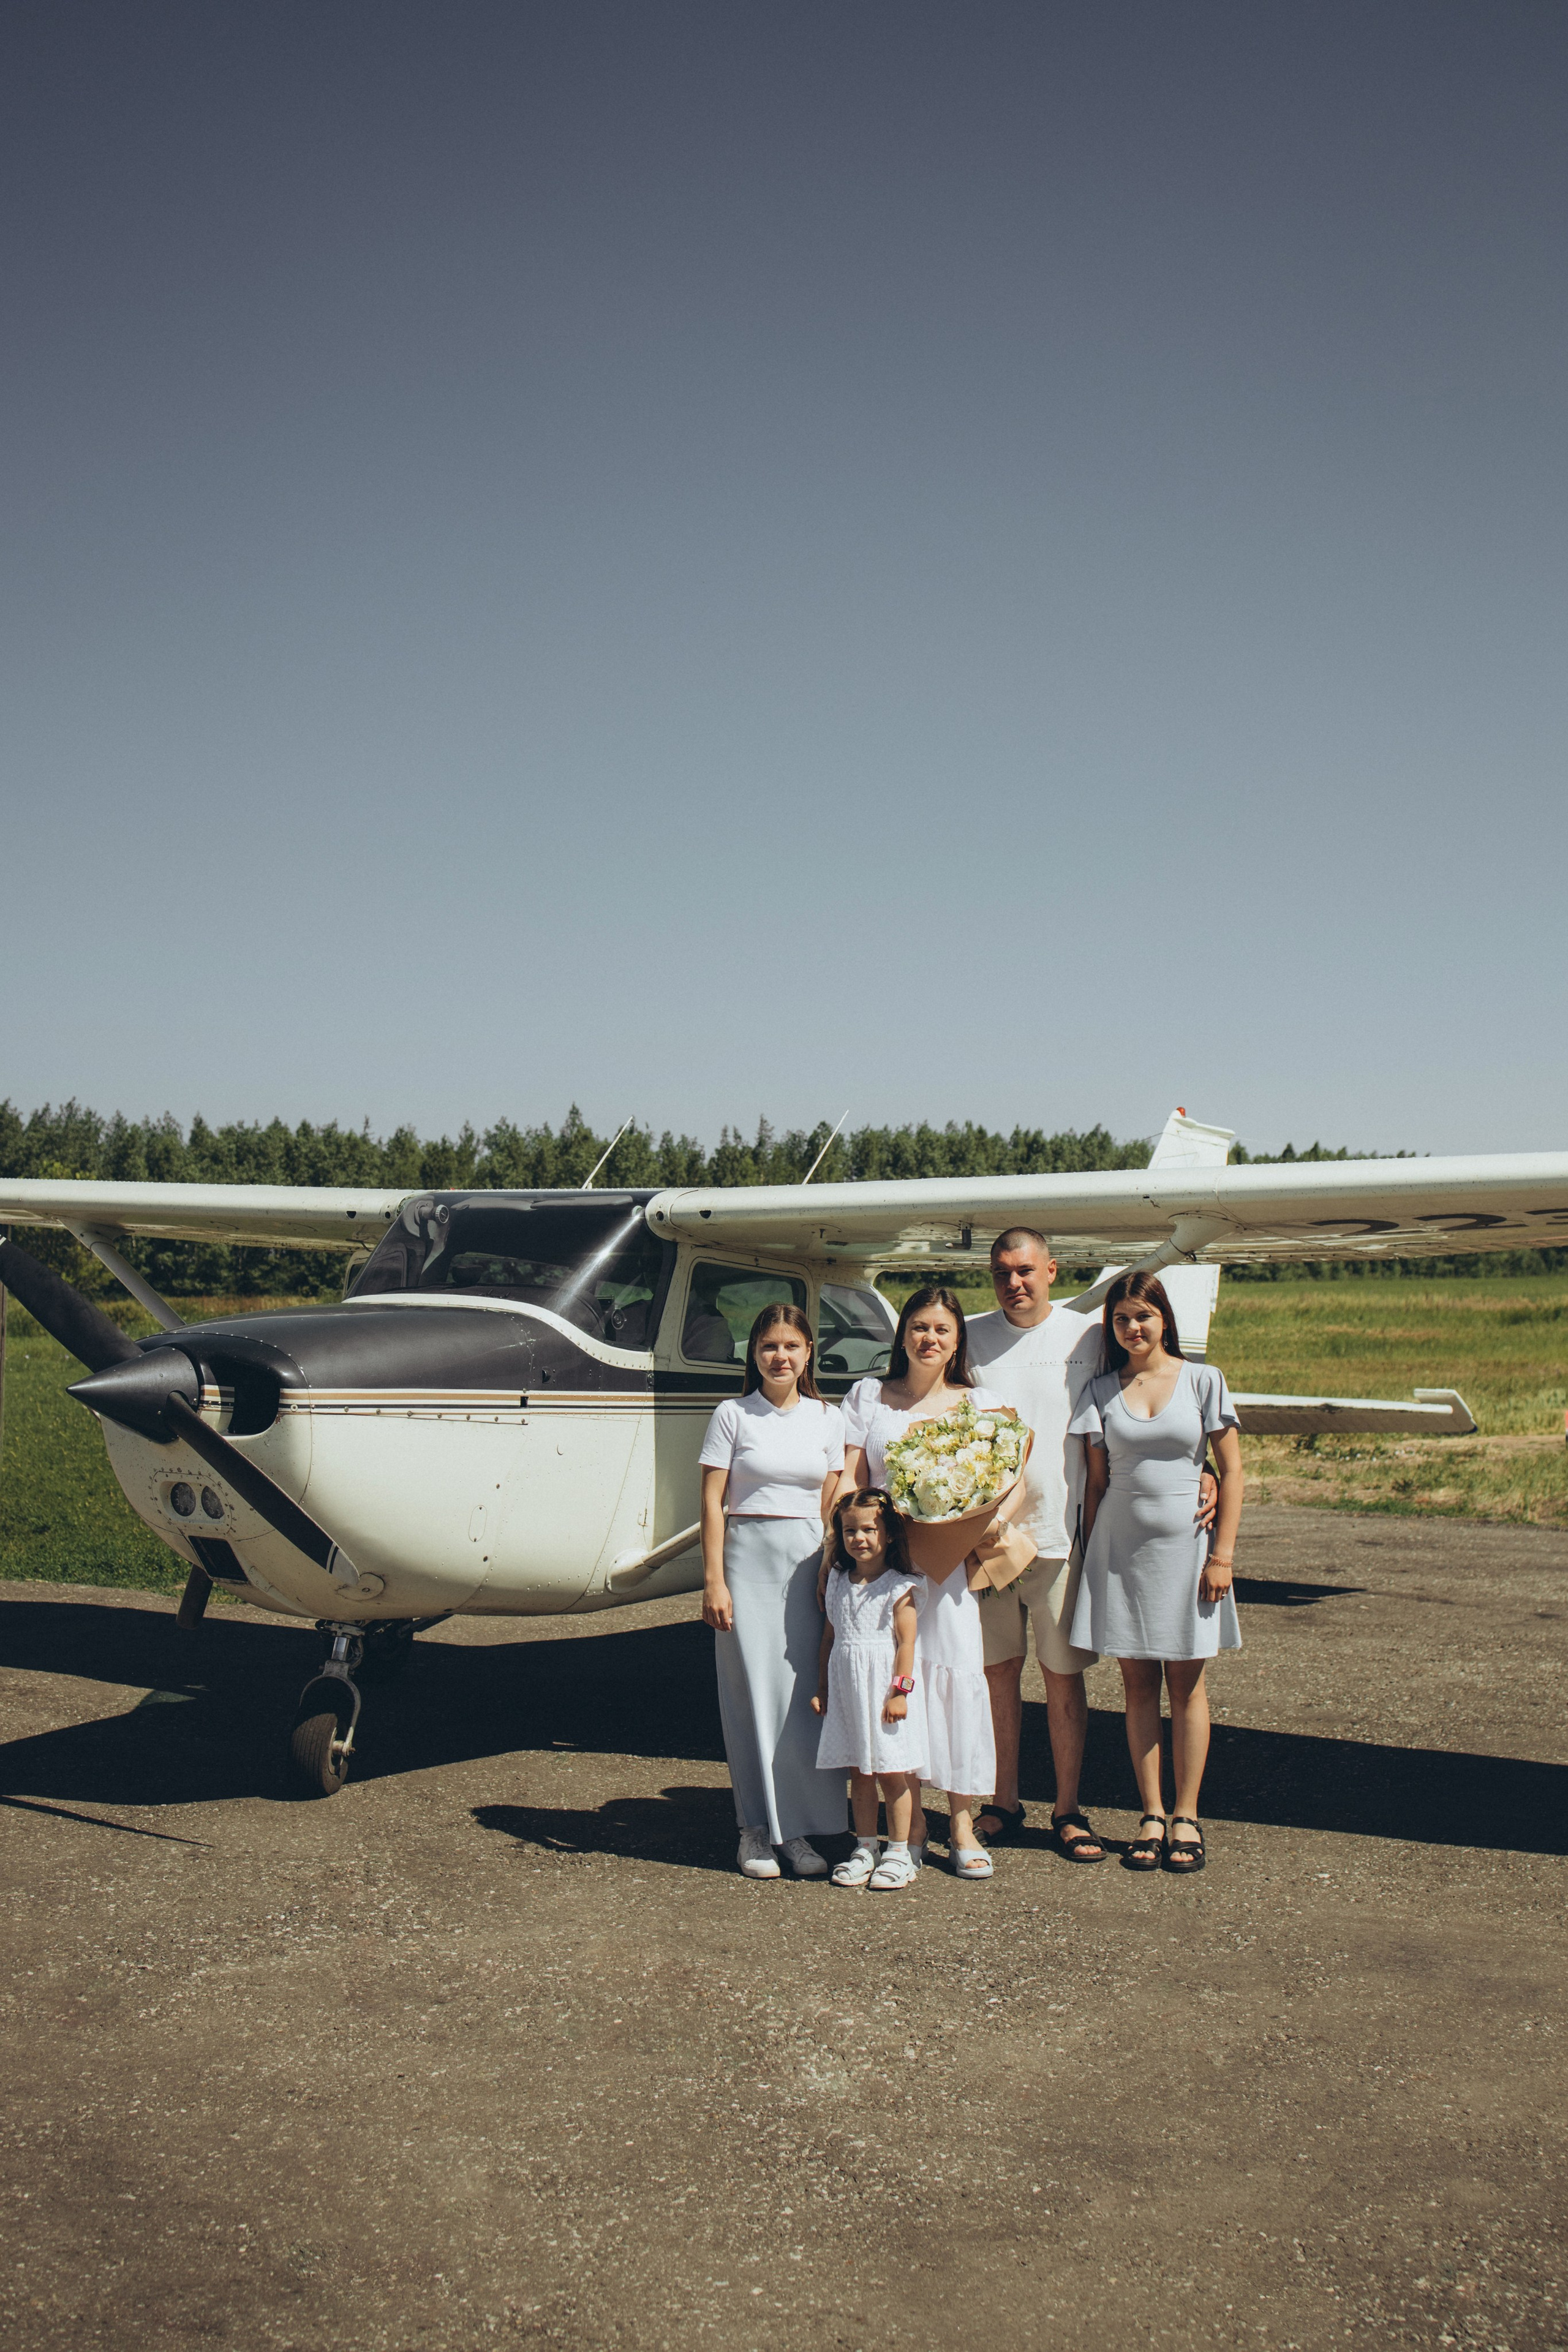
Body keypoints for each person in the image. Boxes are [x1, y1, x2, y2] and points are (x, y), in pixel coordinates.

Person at [968, 1228, 1219, 1863]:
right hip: (987, 1539)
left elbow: (1149, 1399)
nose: (1014, 1283)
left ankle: (1067, 1809)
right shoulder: (967, 1336)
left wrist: (1202, 1469)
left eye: (1025, 1270)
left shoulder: (1090, 1333)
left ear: (1051, 1270)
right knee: (997, 1676)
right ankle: (1003, 1799)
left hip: (1063, 1537)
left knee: (1062, 1678)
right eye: (1001, 1273)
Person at [1068, 1270, 1243, 1875]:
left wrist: (1222, 1554)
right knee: (1137, 1686)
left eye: (1142, 1316)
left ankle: (1187, 1816)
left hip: (1190, 1553)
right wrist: (1090, 1559)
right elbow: (1095, 1484)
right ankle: (1149, 1813)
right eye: (1120, 1319)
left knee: (1187, 1686)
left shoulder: (1202, 1380)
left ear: (1163, 1318)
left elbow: (1234, 1473)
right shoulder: (1099, 1391)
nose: (1132, 1328)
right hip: (1119, 1552)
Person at [834, 1286, 1004, 1879]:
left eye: (942, 1330)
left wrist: (978, 1521)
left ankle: (960, 1823)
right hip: (880, 1575)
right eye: (919, 1327)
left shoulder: (979, 1404)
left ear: (957, 1342)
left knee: (951, 1683)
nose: (929, 1339)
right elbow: (849, 1484)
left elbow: (1006, 1482)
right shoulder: (869, 1397)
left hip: (948, 1572)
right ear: (901, 1333)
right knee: (890, 1688)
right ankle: (910, 1828)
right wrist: (836, 1553)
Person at [699, 1302, 846, 1880]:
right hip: (746, 1561)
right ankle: (755, 1831)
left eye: (791, 1345)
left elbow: (831, 1503)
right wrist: (715, 1580)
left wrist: (832, 1570)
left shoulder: (829, 1419)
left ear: (809, 1352)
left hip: (807, 1563)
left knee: (803, 1700)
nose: (780, 1356)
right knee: (750, 1699)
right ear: (753, 1355)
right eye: (768, 1346)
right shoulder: (733, 1414)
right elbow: (713, 1502)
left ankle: (799, 1831)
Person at [812, 1489, 927, 1891]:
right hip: (847, 1693)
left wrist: (900, 1692)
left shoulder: (900, 1587)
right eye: (849, 1531)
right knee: (859, 1773)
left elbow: (908, 1645)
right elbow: (830, 1638)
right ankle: (865, 1847)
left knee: (892, 1774)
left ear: (890, 1534)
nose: (859, 1538)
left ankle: (899, 1851)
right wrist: (823, 1688)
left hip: (882, 1695)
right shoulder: (840, 1581)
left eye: (868, 1529)